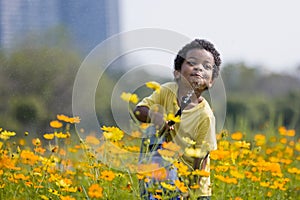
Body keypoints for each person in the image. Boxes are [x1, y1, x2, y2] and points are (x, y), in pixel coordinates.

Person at [134, 39, 221, 200]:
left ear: (211, 81)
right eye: (192, 62)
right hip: (166, 178)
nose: (199, 68)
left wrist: (191, 191)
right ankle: (146, 185)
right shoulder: (167, 91)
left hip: (194, 189)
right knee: (151, 130)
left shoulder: (205, 115)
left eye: (207, 66)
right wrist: (156, 117)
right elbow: (138, 111)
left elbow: (200, 160)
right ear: (177, 72)